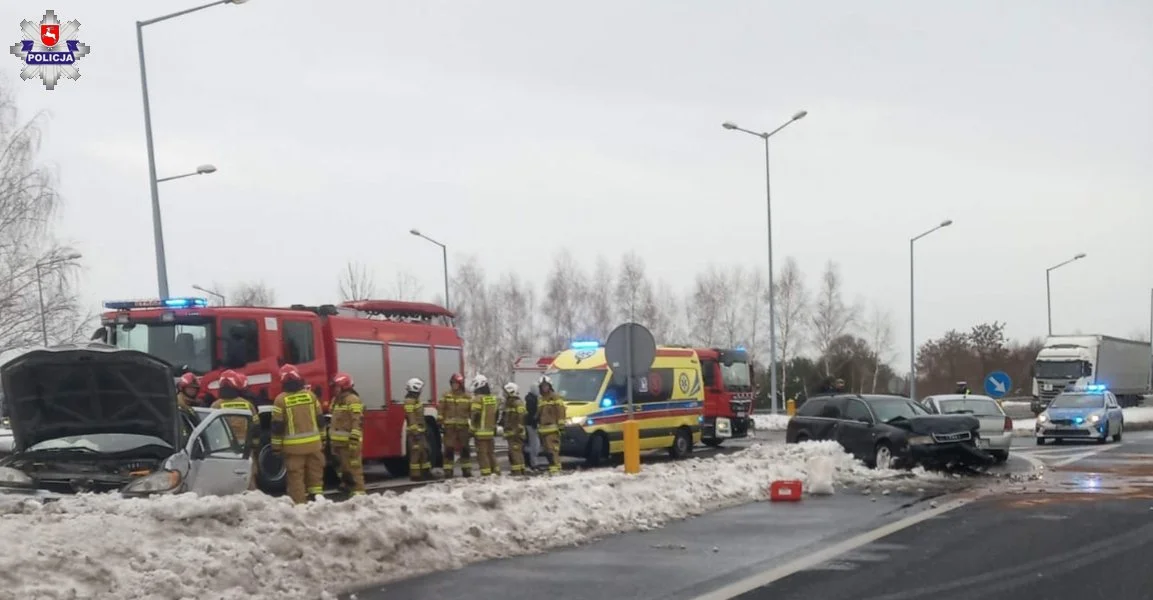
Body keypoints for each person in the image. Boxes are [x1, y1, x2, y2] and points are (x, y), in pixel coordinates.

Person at [270, 364, 325, 504]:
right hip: (314, 445)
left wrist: (276, 448)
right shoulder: (311, 396)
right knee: (315, 475)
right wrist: (323, 439)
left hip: (293, 449)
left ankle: (300, 506)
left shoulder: (280, 400)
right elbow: (320, 421)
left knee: (296, 478)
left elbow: (278, 427)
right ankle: (318, 500)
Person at [210, 370, 259, 491]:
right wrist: (255, 444)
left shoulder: (215, 405)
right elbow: (256, 426)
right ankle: (253, 502)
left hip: (225, 447)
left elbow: (211, 430)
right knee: (249, 477)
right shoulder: (247, 404)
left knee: (228, 477)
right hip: (246, 447)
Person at [328, 372, 365, 496]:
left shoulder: (353, 400)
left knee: (354, 470)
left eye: (336, 387)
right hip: (337, 443)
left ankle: (359, 496)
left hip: (349, 443)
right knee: (343, 469)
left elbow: (357, 421)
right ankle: (347, 487)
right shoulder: (336, 400)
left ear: (344, 386)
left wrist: (354, 440)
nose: (334, 390)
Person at [438, 373, 473, 478]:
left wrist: (473, 426)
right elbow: (441, 409)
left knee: (465, 449)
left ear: (460, 384)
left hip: (463, 428)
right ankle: (448, 471)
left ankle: (466, 470)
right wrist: (440, 422)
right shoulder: (446, 395)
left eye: (455, 383)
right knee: (449, 449)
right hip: (450, 428)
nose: (453, 385)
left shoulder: (468, 397)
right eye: (452, 383)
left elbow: (472, 412)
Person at [469, 374, 500, 476]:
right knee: (491, 453)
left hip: (480, 432)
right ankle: (496, 471)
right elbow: (496, 414)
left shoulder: (478, 399)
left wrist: (472, 428)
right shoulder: (493, 399)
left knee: (482, 455)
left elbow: (475, 414)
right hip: (490, 432)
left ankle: (486, 475)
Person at [403, 377, 433, 481]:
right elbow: (411, 418)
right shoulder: (410, 401)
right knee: (416, 453)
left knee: (425, 451)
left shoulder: (415, 400)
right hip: (415, 433)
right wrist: (415, 432)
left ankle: (426, 472)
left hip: (420, 431)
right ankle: (415, 475)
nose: (420, 391)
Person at [535, 375, 566, 475]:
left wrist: (561, 425)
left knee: (553, 449)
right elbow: (539, 413)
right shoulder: (541, 399)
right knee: (547, 451)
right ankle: (553, 468)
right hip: (543, 429)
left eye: (546, 386)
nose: (544, 388)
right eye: (542, 386)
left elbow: (561, 411)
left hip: (552, 429)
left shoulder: (555, 397)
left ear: (550, 386)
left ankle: (556, 469)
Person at [501, 382, 528, 476]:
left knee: (515, 452)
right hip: (511, 432)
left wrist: (517, 430)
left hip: (516, 433)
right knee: (514, 452)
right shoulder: (509, 403)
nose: (504, 394)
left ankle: (518, 473)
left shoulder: (517, 403)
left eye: (505, 392)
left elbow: (521, 417)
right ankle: (517, 471)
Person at [523, 387, 542, 470]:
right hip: (531, 425)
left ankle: (531, 462)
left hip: (530, 424)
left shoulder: (531, 399)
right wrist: (535, 422)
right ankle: (534, 463)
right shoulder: (532, 400)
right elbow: (532, 413)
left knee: (533, 444)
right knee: (534, 445)